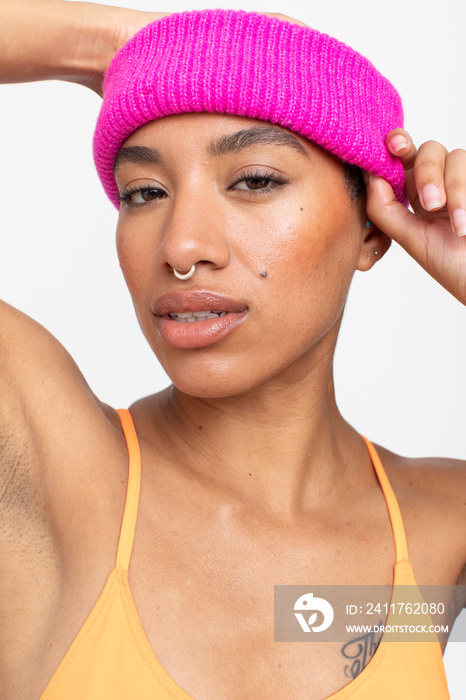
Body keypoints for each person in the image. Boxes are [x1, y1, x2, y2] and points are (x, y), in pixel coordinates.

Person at [0, 2, 465, 699]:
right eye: (144, 192)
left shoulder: (443, 528)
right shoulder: (43, 468)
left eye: (254, 181)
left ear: (373, 228)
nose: (183, 247)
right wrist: (115, 47)